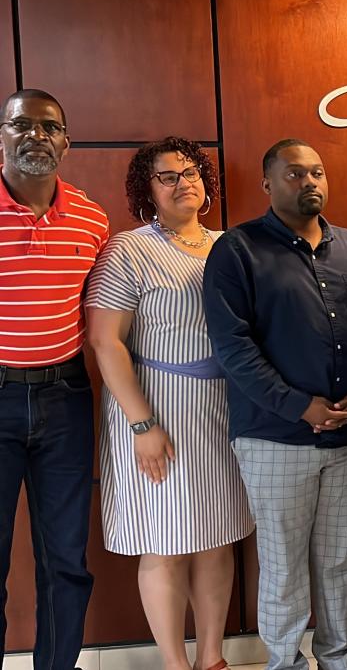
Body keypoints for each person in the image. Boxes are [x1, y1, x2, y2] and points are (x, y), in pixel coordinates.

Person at [203, 139, 347, 670]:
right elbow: (233, 347)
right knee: (282, 566)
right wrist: (299, 406)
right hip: (275, 436)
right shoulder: (237, 249)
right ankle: (285, 662)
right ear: (268, 184)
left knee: (337, 563)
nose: (310, 183)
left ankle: (337, 659)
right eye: (295, 174)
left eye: (317, 173)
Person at [86, 137, 252, 670]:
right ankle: (174, 664)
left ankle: (211, 658)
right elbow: (106, 341)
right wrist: (142, 424)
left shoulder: (231, 244)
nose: (184, 183)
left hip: (223, 409)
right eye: (168, 176)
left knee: (217, 537)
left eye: (191, 172)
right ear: (147, 190)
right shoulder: (128, 249)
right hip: (158, 409)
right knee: (166, 540)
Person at [0, 88, 108, 670]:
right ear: (1, 137)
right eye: (21, 125)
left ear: (65, 142)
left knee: (66, 560)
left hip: (65, 400)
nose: (35, 135)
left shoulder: (92, 219)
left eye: (49, 127)